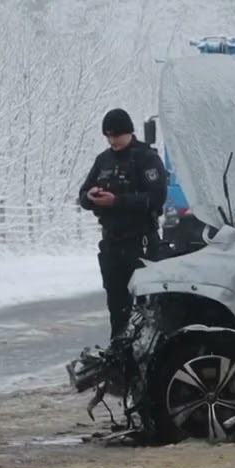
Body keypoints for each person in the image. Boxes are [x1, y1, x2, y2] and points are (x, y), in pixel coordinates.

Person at [77, 109, 168, 340]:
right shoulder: (103, 160)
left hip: (140, 242)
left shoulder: (146, 158)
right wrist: (91, 196)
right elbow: (83, 194)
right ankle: (119, 353)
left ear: (129, 132)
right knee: (117, 307)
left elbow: (156, 197)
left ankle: (146, 353)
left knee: (146, 307)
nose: (112, 141)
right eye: (108, 136)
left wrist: (117, 201)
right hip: (112, 243)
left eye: (116, 136)